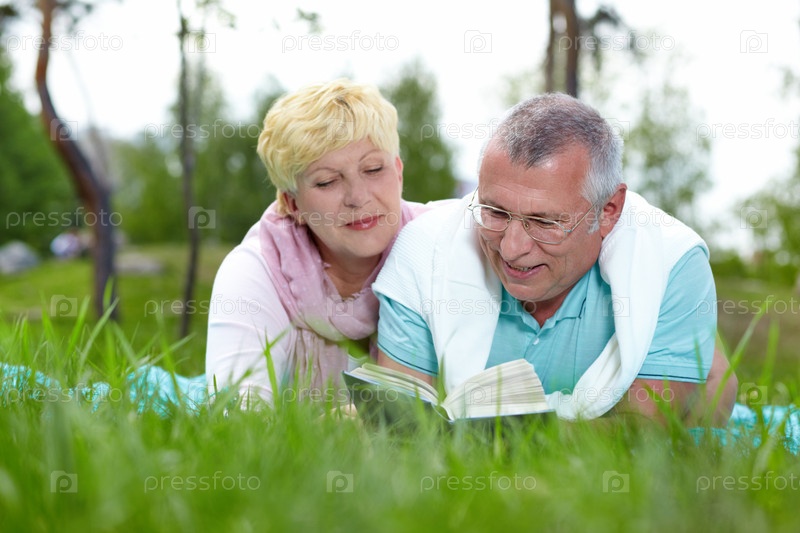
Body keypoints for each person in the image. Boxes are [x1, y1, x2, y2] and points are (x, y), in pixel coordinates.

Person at [373, 93, 737, 424]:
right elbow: (400, 427)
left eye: (544, 222)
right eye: (495, 212)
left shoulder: (671, 264)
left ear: (608, 210)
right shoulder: (424, 249)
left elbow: (640, 435)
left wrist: (487, 442)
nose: (511, 248)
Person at [204, 79, 443, 407]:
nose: (358, 197)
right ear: (293, 204)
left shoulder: (439, 242)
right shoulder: (258, 268)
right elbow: (238, 414)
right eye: (327, 181)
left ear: (399, 172)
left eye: (373, 169)